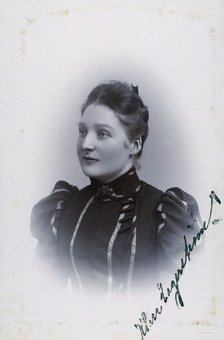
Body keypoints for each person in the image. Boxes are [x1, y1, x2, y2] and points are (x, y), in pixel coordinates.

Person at [30, 81, 202, 298]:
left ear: (134, 145)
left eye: (102, 133)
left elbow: (181, 304)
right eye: (82, 131)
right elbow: (40, 295)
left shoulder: (168, 215)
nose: (86, 144)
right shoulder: (64, 207)